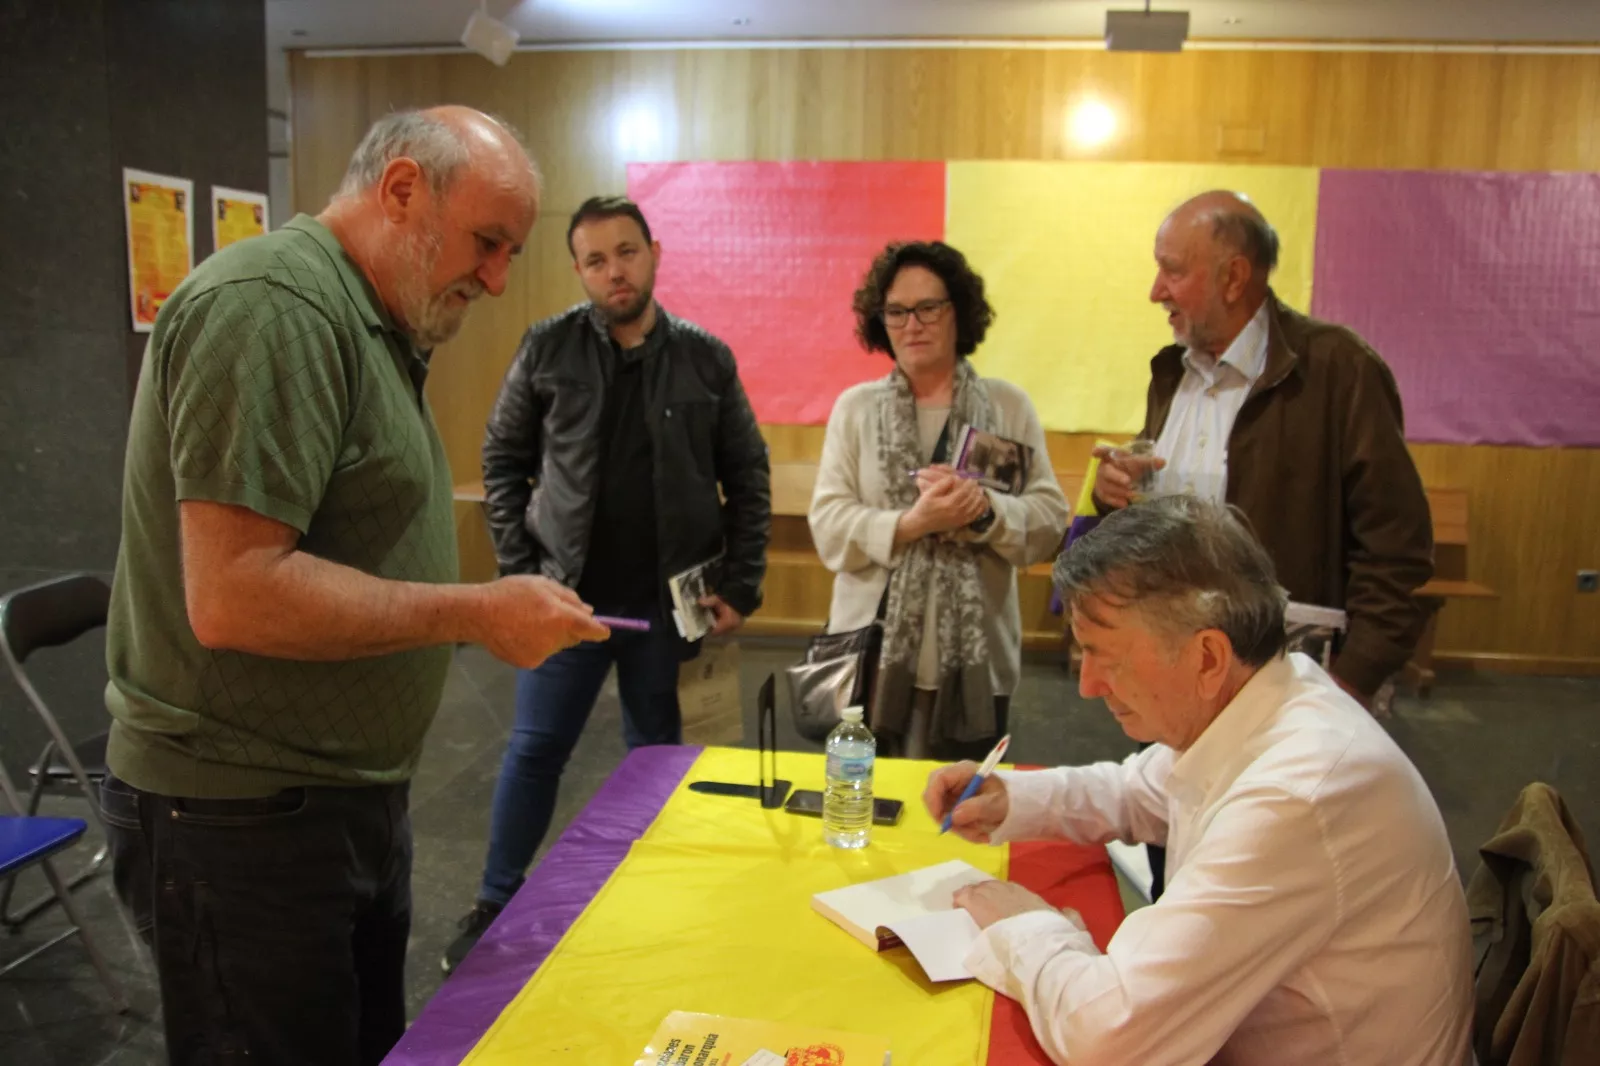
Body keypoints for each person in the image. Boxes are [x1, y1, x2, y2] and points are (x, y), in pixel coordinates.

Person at [99, 107, 610, 1066]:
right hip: (242, 819)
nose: (498, 280)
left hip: (334, 802)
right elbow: (235, 594)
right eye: (489, 244)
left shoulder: (367, 318)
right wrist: (474, 612)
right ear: (404, 189)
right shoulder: (274, 308)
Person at [925, 496, 1474, 1066]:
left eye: (1103, 656)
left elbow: (1110, 1040)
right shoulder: (1274, 690)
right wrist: (1010, 799)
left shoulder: (1298, 794)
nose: (1087, 686)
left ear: (1208, 657)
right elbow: (1141, 790)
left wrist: (1025, 928)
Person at [444, 195, 771, 972]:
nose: (613, 271)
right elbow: (501, 461)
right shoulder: (547, 347)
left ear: (653, 252)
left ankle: (653, 898)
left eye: (626, 253)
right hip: (567, 601)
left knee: (655, 757)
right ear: (578, 270)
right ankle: (494, 900)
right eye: (595, 260)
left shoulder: (705, 357)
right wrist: (522, 577)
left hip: (669, 605)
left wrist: (744, 581)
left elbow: (747, 474)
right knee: (534, 750)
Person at [1092, 190, 1432, 708]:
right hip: (1172, 676)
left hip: (1291, 687)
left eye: (1173, 270)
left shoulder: (1341, 369)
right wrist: (1114, 494)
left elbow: (1396, 549)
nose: (1155, 290)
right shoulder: (1170, 374)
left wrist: (1354, 678)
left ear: (1233, 277)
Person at [809, 241, 1067, 759]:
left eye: (930, 307)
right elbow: (828, 522)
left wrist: (984, 513)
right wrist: (910, 523)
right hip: (870, 657)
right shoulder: (856, 409)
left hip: (975, 663)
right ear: (880, 321)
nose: (913, 324)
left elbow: (1048, 521)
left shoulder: (1007, 405)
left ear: (959, 312)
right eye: (897, 311)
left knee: (960, 814)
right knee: (867, 808)